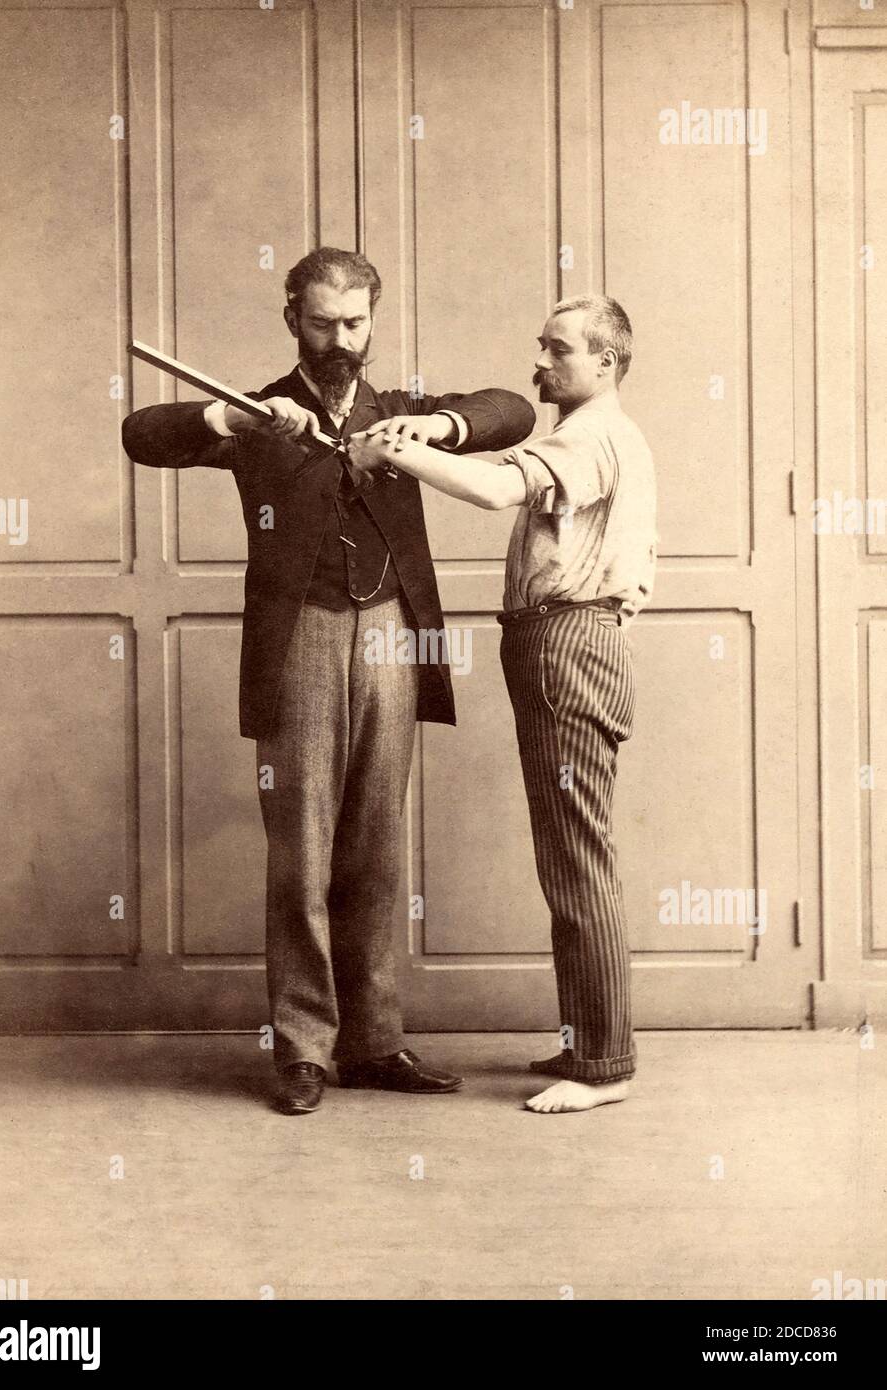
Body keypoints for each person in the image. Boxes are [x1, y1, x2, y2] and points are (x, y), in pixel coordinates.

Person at [122, 248, 536, 1115]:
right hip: (301, 642)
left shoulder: (402, 411)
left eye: (354, 323)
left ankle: (374, 1043)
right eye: (322, 323)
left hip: (392, 639)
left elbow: (512, 410)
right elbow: (143, 434)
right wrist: (234, 423)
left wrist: (440, 431)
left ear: (373, 322)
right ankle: (303, 1049)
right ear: (292, 320)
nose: (340, 339)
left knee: (377, 851)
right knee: (300, 857)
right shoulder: (259, 415)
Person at [349, 295, 656, 1115]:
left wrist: (393, 449)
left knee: (577, 857)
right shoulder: (586, 433)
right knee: (566, 853)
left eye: (558, 350)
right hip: (554, 641)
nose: (541, 363)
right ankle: (586, 1036)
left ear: (605, 363)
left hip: (569, 643)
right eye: (543, 345)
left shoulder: (594, 437)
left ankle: (605, 1065)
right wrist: (423, 438)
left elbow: (490, 492)